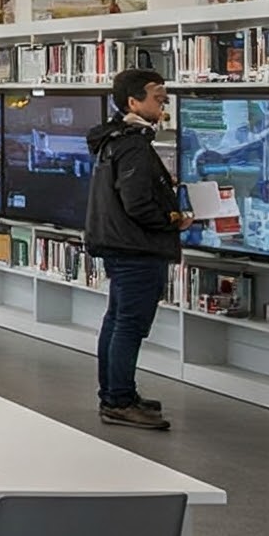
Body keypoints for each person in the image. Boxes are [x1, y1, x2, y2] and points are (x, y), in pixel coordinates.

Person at [84, 68, 187, 429]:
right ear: (133, 102)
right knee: (129, 325)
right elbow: (138, 204)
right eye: (157, 97)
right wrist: (175, 219)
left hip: (118, 244)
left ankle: (116, 393)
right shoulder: (134, 145)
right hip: (136, 248)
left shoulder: (114, 139)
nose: (164, 104)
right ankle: (118, 402)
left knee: (116, 321)